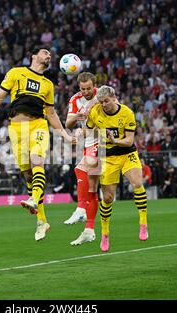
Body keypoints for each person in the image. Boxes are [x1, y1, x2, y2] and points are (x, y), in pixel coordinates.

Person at [0, 46, 76, 241]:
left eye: (50, 54)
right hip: (16, 129)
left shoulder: (48, 84)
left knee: (36, 160)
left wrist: (64, 134)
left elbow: (51, 113)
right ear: (33, 56)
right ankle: (42, 221)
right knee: (28, 174)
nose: (48, 55)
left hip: (38, 124)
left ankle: (33, 199)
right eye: (45, 52)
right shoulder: (16, 73)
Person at [85, 85, 148, 252]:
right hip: (108, 157)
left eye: (106, 101)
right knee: (107, 198)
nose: (103, 105)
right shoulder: (95, 111)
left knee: (137, 183)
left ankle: (143, 223)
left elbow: (128, 141)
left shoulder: (127, 113)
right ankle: (105, 234)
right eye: (101, 102)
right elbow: (87, 130)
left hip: (127, 154)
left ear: (114, 98)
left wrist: (114, 140)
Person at [62, 72, 98, 225]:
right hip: (89, 140)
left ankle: (80, 209)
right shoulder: (75, 99)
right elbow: (68, 123)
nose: (86, 92)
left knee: (82, 169)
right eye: (83, 89)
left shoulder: (102, 94)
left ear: (94, 86)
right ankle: (88, 227)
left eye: (88, 88)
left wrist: (92, 105)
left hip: (103, 138)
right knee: (91, 186)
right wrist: (78, 115)